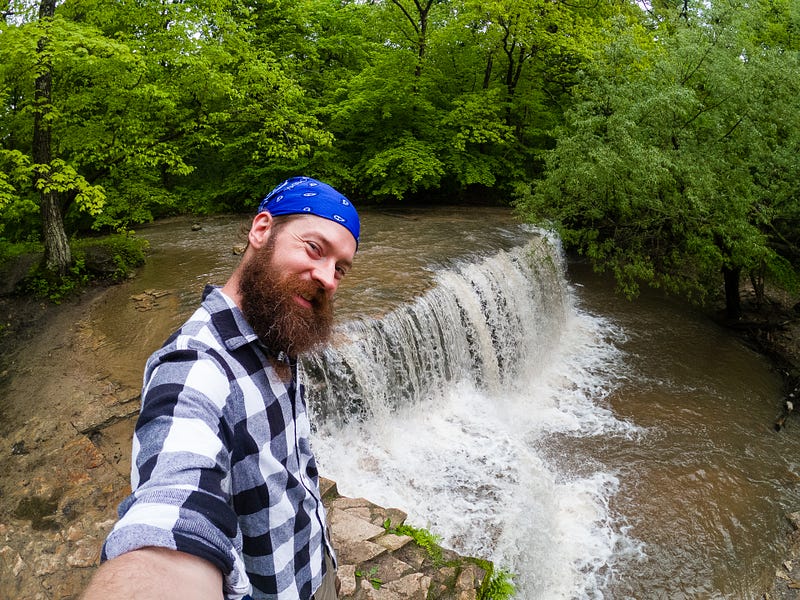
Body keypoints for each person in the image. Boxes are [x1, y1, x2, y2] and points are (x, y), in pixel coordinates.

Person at [81, 176, 360, 600]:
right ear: (261, 229)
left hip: (314, 569)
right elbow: (172, 508)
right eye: (314, 249)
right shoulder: (194, 365)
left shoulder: (279, 323)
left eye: (340, 267)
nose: (328, 278)